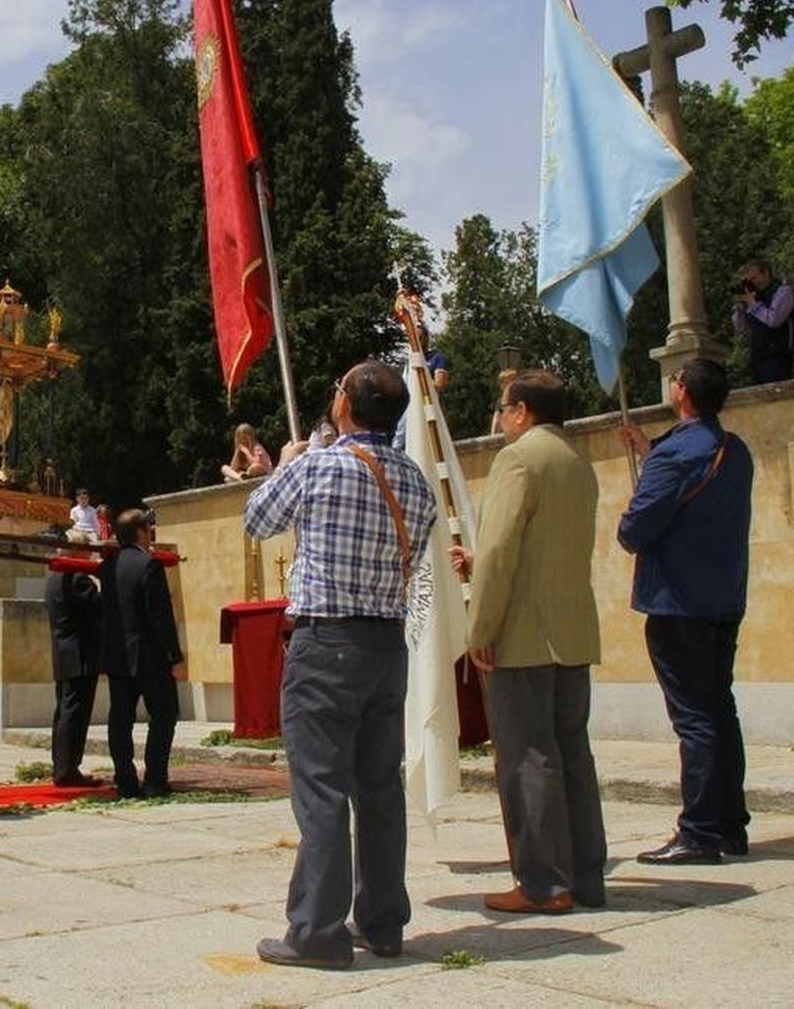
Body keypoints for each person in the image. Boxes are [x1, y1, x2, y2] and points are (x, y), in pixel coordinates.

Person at [242, 360, 437, 970]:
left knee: (321, 787)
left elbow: (257, 519)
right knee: (379, 789)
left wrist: (291, 457)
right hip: (386, 643)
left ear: (347, 405)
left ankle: (317, 932)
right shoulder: (414, 480)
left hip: (326, 644)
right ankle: (381, 923)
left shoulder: (319, 464)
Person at [448, 370, 607, 915]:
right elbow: (545, 546)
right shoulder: (576, 461)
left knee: (528, 758)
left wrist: (481, 629)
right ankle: (586, 877)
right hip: (572, 630)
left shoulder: (517, 459)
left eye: (502, 408)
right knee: (573, 756)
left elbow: (500, 554)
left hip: (522, 635)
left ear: (521, 410)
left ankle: (542, 882)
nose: (499, 418)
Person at [618, 358, 755, 865]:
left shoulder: (676, 455)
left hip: (678, 602)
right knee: (720, 709)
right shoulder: (733, 450)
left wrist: (652, 465)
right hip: (723, 597)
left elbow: (635, 529)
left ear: (683, 393)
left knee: (695, 720)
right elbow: (696, 471)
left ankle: (697, 831)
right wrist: (651, 449)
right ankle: (729, 826)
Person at [99, 509, 184, 801]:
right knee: (164, 713)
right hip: (149, 657)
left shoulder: (107, 567)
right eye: (149, 529)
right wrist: (174, 657)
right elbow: (160, 617)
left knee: (120, 719)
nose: (151, 535)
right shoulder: (148, 564)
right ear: (140, 532)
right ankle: (155, 780)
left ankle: (125, 781)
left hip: (118, 657)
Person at [47, 561, 101, 787]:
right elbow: (99, 609)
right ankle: (68, 769)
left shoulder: (54, 578)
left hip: (64, 653)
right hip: (80, 655)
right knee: (75, 715)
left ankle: (62, 766)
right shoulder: (78, 579)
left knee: (64, 712)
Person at [731, 258, 794, 384]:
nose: (751, 283)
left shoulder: (783, 291)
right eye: (748, 280)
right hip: (757, 357)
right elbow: (740, 328)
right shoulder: (755, 297)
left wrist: (753, 304)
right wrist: (741, 307)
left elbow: (774, 320)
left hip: (777, 356)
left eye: (754, 279)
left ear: (766, 273)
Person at [392, 351, 451, 452]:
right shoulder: (409, 362)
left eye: (420, 337)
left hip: (428, 412)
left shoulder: (438, 357)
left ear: (426, 338)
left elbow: (440, 384)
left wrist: (418, 378)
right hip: (407, 419)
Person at [489, 369, 519, 435]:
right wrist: (493, 435)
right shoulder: (501, 401)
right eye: (506, 383)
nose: (509, 385)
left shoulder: (522, 398)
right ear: (501, 386)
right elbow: (496, 419)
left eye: (512, 382)